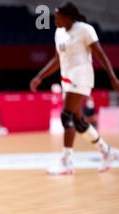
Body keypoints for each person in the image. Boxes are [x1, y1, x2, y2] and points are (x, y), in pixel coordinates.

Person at [30, 2, 119, 175]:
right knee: (78, 122)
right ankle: (106, 151)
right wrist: (40, 76)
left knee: (66, 116)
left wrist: (113, 77)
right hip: (67, 80)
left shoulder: (85, 30)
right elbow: (57, 59)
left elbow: (100, 54)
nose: (55, 20)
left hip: (82, 77)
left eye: (58, 17)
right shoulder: (59, 33)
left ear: (69, 17)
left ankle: (66, 162)